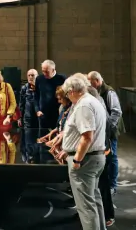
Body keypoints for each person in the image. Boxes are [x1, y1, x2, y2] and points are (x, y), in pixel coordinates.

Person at [60, 74, 107, 230]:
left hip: (85, 161)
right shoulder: (93, 101)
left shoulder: (83, 105)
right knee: (94, 201)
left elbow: (87, 136)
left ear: (72, 91)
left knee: (86, 207)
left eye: (67, 93)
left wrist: (77, 160)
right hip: (94, 158)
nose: (67, 97)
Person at [88, 71, 122, 193]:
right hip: (103, 130)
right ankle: (106, 184)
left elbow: (116, 112)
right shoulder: (97, 91)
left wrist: (108, 128)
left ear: (97, 81)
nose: (89, 84)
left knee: (112, 157)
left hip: (110, 130)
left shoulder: (109, 92)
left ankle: (113, 185)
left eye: (90, 82)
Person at [35, 59, 66, 130]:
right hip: (43, 114)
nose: (44, 73)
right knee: (43, 135)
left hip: (57, 114)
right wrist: (37, 110)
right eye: (43, 71)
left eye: (47, 72)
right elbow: (36, 95)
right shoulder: (39, 79)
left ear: (53, 70)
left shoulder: (61, 79)